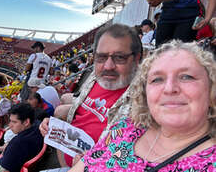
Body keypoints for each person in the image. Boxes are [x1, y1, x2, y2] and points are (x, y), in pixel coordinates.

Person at [70, 40, 216, 171]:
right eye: (157, 79)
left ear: (212, 90)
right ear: (145, 94)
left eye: (187, 77)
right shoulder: (126, 127)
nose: (169, 88)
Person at [40, 23, 142, 167]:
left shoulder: (143, 103)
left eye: (119, 57)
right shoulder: (95, 77)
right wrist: (55, 128)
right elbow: (76, 118)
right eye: (101, 57)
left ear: (137, 59)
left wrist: (91, 165)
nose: (108, 66)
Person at [0, 103, 44, 172]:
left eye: (14, 122)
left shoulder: (16, 144)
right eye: (10, 121)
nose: (9, 125)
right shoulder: (39, 125)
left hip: (9, 167)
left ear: (26, 122)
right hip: (22, 162)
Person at [148, 0, 216, 47]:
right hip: (165, 18)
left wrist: (207, 19)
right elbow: (155, 0)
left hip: (188, 19)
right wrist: (153, 0)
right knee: (160, 51)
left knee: (182, 51)